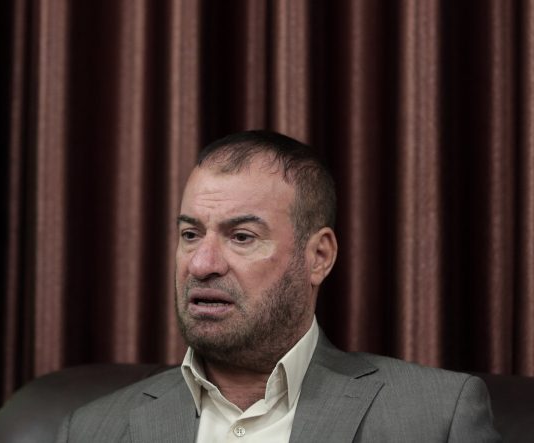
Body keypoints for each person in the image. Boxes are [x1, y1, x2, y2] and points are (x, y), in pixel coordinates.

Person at [55, 130, 499, 442]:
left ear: (318, 256)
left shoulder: (436, 417)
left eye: (242, 237)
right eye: (190, 234)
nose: (203, 264)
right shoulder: (91, 430)